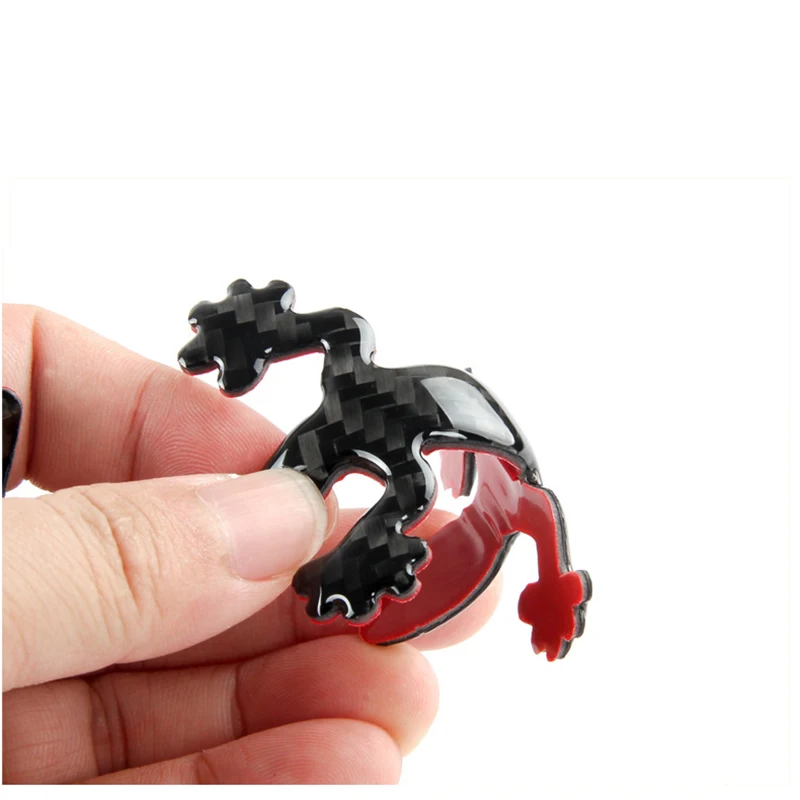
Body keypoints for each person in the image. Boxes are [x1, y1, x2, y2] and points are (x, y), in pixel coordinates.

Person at [1, 305, 500, 784]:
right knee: (317, 472)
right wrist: (250, 334)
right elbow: (343, 330)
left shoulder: (389, 428)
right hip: (374, 426)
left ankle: (363, 569)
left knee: (382, 485)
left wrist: (361, 563)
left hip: (449, 430)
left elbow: (411, 481)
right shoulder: (346, 392)